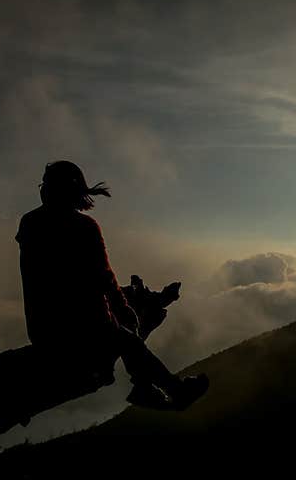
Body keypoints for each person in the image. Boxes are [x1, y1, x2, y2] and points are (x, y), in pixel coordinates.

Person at [15, 160, 208, 410]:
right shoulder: (83, 227)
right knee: (128, 338)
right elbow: (103, 277)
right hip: (78, 328)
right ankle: (168, 390)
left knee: (125, 336)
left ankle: (147, 387)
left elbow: (36, 282)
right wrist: (123, 311)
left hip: (43, 330)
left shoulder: (30, 223)